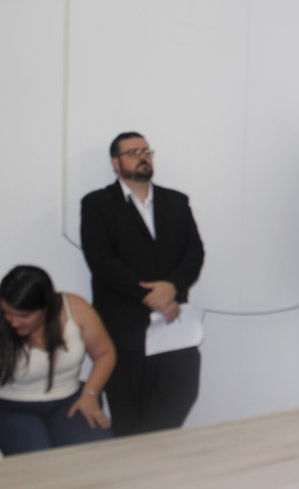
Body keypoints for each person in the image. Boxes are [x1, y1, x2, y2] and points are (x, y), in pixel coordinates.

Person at [80, 131, 205, 436]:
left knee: (179, 397)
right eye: (133, 152)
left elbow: (195, 252)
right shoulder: (97, 204)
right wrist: (152, 294)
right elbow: (101, 261)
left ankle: (160, 464)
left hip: (173, 324)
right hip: (124, 330)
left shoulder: (176, 201)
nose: (142, 157)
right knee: (129, 416)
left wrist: (171, 288)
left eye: (146, 151)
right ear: (115, 163)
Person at [0, 265, 115, 455]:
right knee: (40, 464)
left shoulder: (75, 307)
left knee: (97, 454)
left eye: (23, 316)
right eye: (6, 312)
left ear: (46, 308)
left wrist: (90, 395)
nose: (13, 322)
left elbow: (105, 353)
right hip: (12, 408)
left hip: (69, 401)